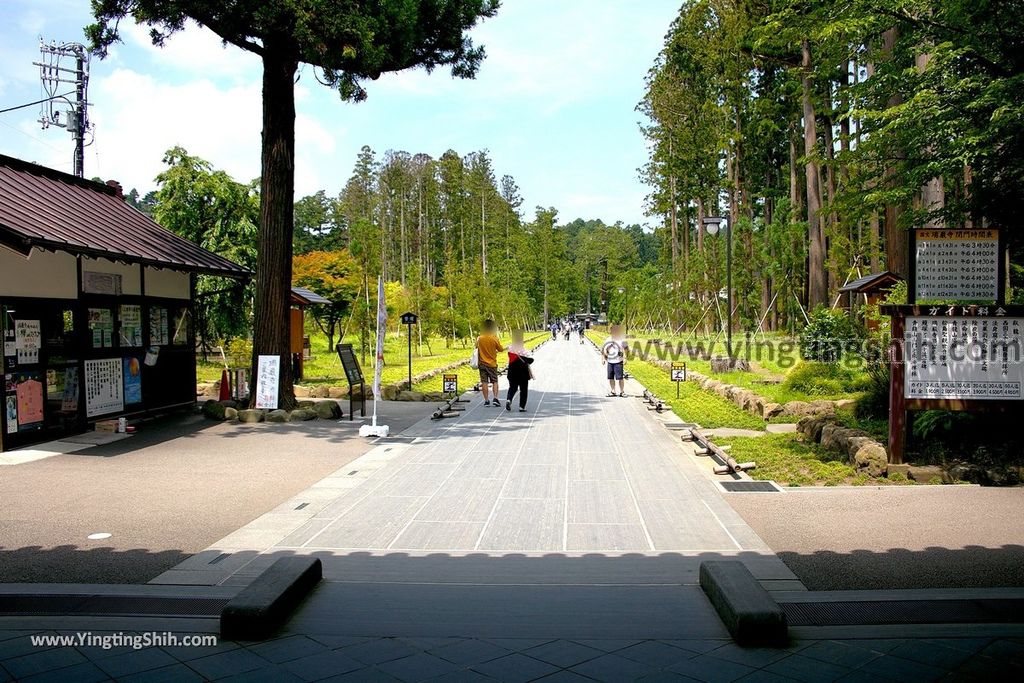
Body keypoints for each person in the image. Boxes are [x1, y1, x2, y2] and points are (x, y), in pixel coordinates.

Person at [476, 319, 504, 406]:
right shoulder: (494, 338)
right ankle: (495, 398)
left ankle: (486, 400)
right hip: (492, 364)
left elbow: (476, 347)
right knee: (494, 381)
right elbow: (501, 349)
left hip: (482, 364)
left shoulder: (479, 338)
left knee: (484, 382)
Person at [505, 329, 534, 412]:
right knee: (523, 390)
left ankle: (509, 399)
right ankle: (522, 406)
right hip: (523, 373)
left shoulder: (510, 348)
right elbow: (530, 360)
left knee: (512, 387)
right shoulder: (524, 350)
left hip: (512, 372)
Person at [601, 324, 628, 397]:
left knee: (620, 378)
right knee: (610, 377)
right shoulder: (608, 339)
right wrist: (603, 358)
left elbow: (626, 349)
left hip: (618, 361)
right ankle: (613, 391)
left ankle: (622, 392)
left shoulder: (622, 339)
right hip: (610, 361)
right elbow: (604, 349)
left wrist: (625, 358)